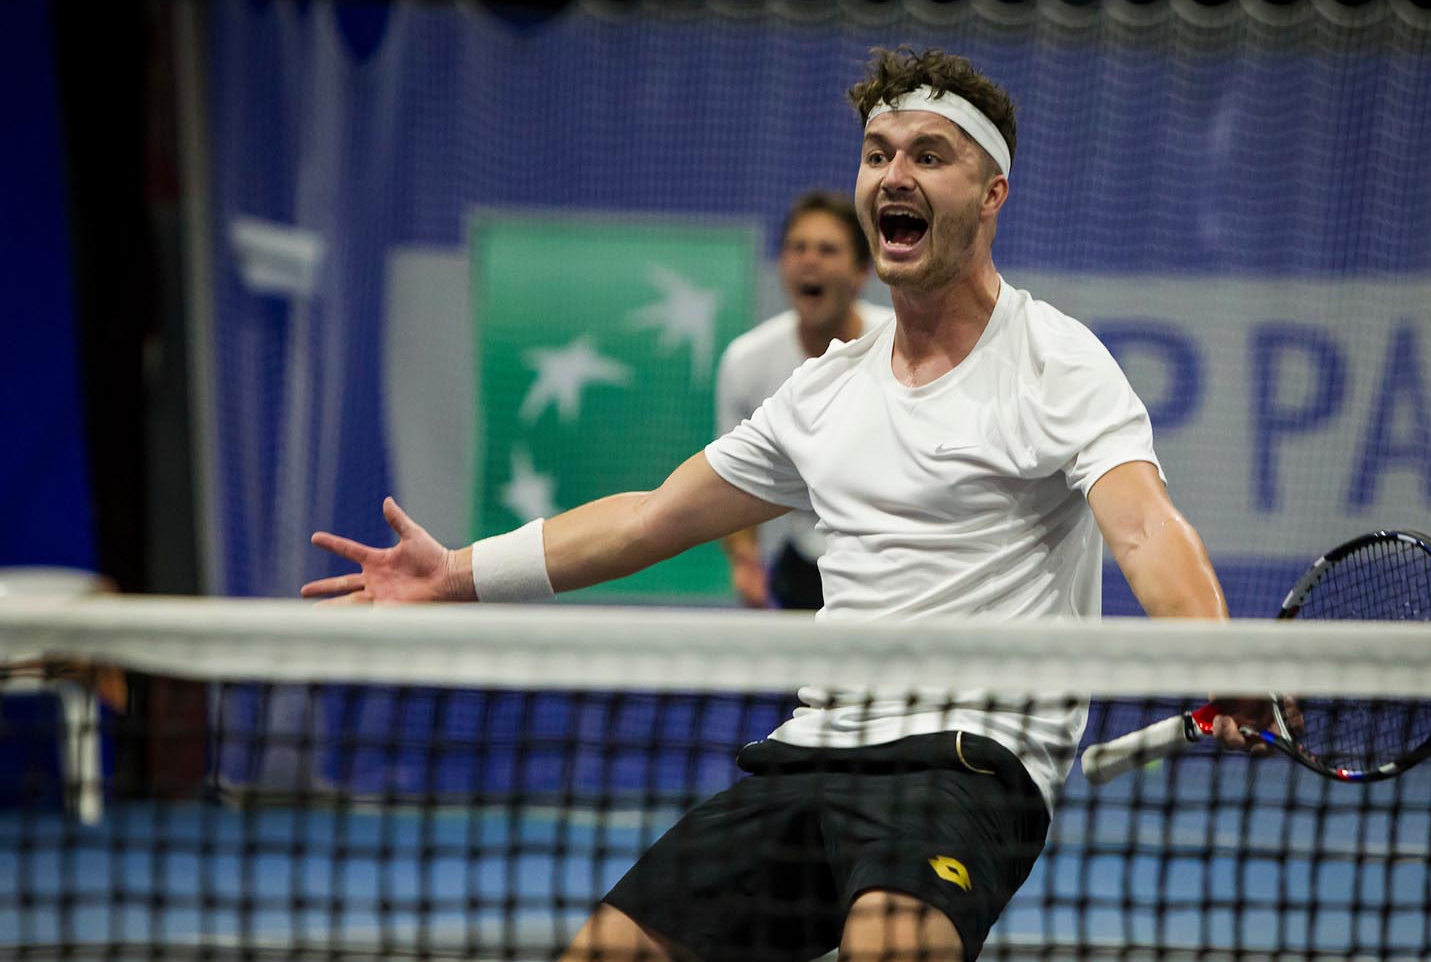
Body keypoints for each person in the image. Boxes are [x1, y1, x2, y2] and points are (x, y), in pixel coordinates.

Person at [302, 46, 1268, 962]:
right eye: (879, 153)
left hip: (969, 761)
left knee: (894, 943)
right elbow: (649, 518)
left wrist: (1221, 659)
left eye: (931, 155)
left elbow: (1141, 526)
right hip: (813, 754)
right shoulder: (823, 391)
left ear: (991, 194)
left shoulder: (1057, 361)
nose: (896, 174)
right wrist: (458, 575)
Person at [717, 190, 892, 609]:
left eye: (828, 250)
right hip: (804, 567)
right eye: (798, 248)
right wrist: (744, 560)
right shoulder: (746, 363)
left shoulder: (902, 347)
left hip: (892, 562)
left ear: (860, 271)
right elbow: (730, 480)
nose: (809, 260)